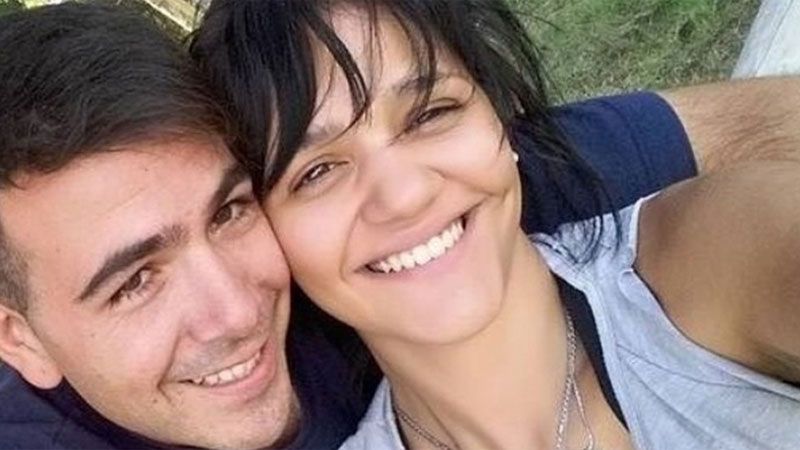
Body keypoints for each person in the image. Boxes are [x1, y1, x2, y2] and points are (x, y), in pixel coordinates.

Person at [0, 2, 798, 450]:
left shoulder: (695, 275)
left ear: (502, 124)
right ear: (18, 338)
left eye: (430, 114)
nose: (406, 194)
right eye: (317, 170)